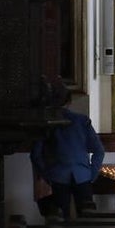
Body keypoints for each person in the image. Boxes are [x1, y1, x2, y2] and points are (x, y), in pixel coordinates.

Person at [30, 84, 105, 219]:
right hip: (82, 175)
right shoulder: (82, 121)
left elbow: (36, 155)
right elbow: (99, 150)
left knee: (58, 220)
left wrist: (47, 174)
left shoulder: (47, 123)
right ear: (70, 102)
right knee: (88, 220)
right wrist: (92, 173)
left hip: (57, 175)